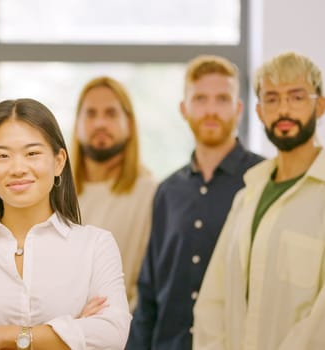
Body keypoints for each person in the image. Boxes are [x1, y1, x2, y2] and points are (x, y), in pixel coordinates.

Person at [0, 98, 131, 350]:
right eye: (2, 156)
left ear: (58, 162)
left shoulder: (95, 245)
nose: (17, 168)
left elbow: (111, 336)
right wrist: (70, 331)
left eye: (32, 153)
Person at [127, 55, 263, 350]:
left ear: (238, 109)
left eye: (222, 99)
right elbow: (149, 291)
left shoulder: (263, 180)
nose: (211, 110)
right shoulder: (167, 191)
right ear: (183, 109)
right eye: (200, 99)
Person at [194, 52, 325, 349]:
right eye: (272, 99)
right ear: (259, 112)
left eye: (296, 97)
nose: (284, 110)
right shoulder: (246, 197)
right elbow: (212, 303)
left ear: (320, 106)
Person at [71, 76, 157, 310]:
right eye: (90, 114)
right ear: (77, 125)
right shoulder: (55, 194)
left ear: (129, 125)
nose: (100, 123)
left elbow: (150, 284)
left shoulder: (150, 194)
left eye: (111, 114)